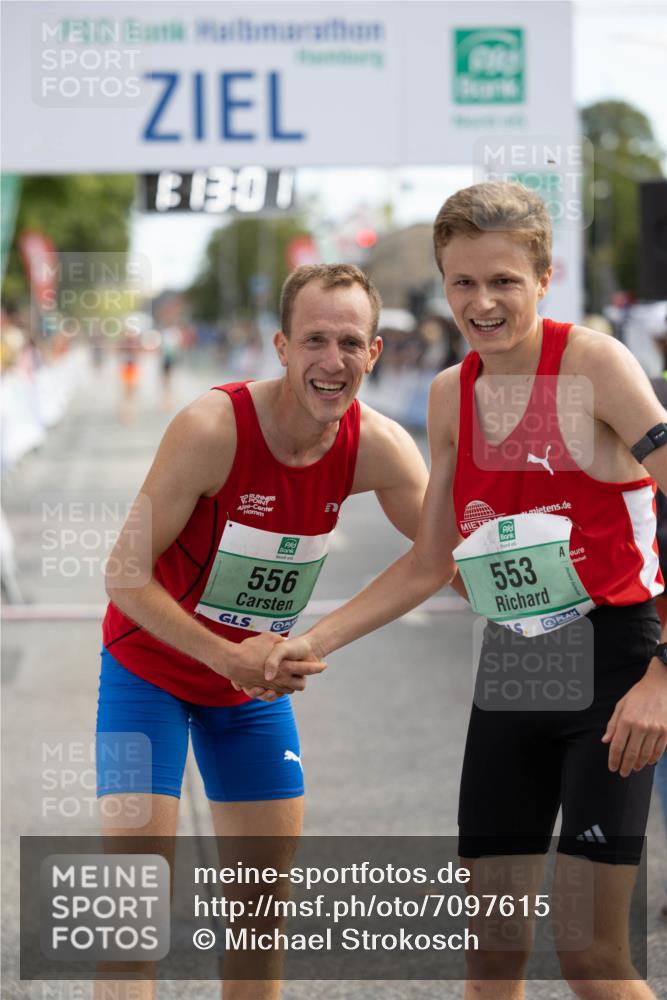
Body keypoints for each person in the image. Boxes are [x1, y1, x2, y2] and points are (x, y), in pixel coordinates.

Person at [264, 183, 667, 1000]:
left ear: (544, 278)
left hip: (616, 665)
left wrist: (661, 677)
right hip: (514, 670)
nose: (482, 303)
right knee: (489, 957)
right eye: (463, 284)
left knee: (590, 956)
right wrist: (314, 639)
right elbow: (428, 559)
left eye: (504, 282)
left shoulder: (591, 363)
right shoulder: (450, 393)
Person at [97, 263, 428, 1000]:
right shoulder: (210, 428)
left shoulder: (382, 446)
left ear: (374, 354)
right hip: (148, 671)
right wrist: (226, 656)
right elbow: (123, 573)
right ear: (280, 345)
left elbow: (443, 559)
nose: (331, 360)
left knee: (258, 926)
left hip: (253, 687)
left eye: (350, 342)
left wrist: (315, 642)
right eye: (315, 339)